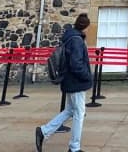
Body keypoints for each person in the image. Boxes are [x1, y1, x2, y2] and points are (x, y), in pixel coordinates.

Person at [36, 13, 92, 152]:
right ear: (85, 26)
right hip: (75, 81)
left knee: (70, 110)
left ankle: (43, 131)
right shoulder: (77, 40)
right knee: (79, 113)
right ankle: (74, 147)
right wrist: (87, 76)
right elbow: (76, 64)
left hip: (69, 80)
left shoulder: (70, 37)